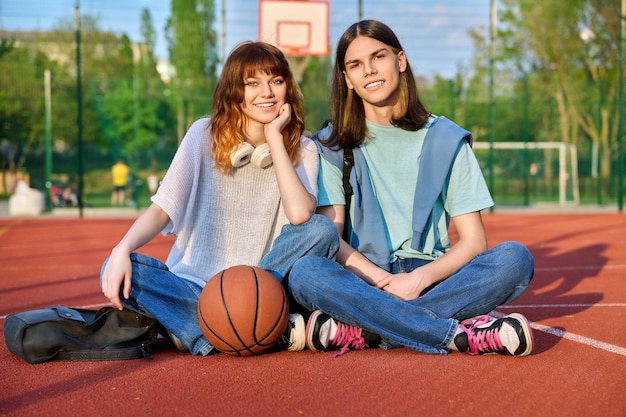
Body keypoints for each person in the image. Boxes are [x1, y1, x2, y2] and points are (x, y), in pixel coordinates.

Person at [288, 20, 535, 357]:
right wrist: (382, 284)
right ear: (347, 79)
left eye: (379, 57)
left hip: (432, 277)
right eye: (355, 65)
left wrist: (417, 281)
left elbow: (475, 241)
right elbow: (334, 239)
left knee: (515, 259)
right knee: (306, 272)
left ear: (400, 61)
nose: (370, 71)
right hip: (363, 277)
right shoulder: (331, 145)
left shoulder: (447, 139)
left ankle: (369, 330)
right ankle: (456, 334)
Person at [100, 41, 339, 355]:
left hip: (263, 285)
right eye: (252, 84)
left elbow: (300, 216)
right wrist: (121, 249)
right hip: (195, 286)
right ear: (233, 92)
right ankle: (266, 332)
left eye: (275, 81)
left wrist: (275, 141)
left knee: (322, 230)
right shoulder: (203, 134)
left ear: (287, 89)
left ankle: (205, 329)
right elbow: (161, 211)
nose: (266, 92)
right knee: (117, 269)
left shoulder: (303, 147)